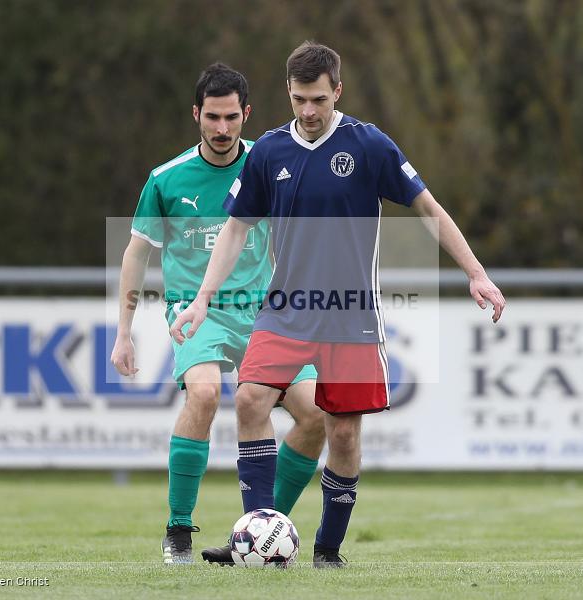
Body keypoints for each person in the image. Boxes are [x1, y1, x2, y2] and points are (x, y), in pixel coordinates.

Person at [171, 42, 506, 568]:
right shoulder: (269, 152)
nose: (308, 111)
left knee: (343, 432)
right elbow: (236, 226)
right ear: (288, 92)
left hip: (350, 314)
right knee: (253, 399)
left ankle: (328, 551)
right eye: (301, 99)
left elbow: (427, 207)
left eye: (319, 100)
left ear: (338, 92)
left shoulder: (369, 145)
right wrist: (201, 300)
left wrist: (476, 273)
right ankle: (256, 536)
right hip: (285, 309)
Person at [111, 63, 325, 565]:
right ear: (196, 115)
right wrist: (124, 332)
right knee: (204, 394)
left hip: (265, 314)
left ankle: (262, 527)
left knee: (317, 415)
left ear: (246, 114)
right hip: (197, 312)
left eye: (232, 117)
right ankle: (179, 529)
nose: (223, 128)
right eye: (213, 117)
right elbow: (136, 254)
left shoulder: (271, 163)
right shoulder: (165, 179)